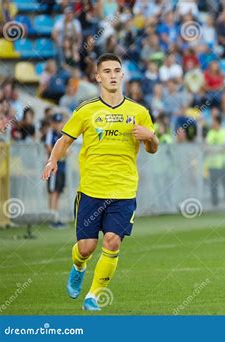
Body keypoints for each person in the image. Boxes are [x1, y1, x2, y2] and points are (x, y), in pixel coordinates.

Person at [41, 53, 159, 311]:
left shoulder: (138, 112)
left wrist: (150, 136)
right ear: (97, 77)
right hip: (92, 190)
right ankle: (78, 266)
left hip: (124, 191)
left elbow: (152, 148)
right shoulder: (86, 110)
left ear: (123, 76)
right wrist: (52, 160)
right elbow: (64, 141)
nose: (113, 75)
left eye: (117, 71)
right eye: (107, 71)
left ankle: (93, 296)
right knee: (86, 247)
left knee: (113, 242)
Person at [45, 113, 67, 228]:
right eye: (57, 123)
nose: (59, 125)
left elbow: (67, 152)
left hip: (62, 167)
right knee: (53, 192)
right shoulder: (51, 134)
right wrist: (59, 154)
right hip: (54, 167)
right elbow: (48, 147)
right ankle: (52, 218)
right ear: (52, 124)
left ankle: (56, 216)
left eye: (60, 122)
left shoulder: (62, 135)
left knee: (57, 192)